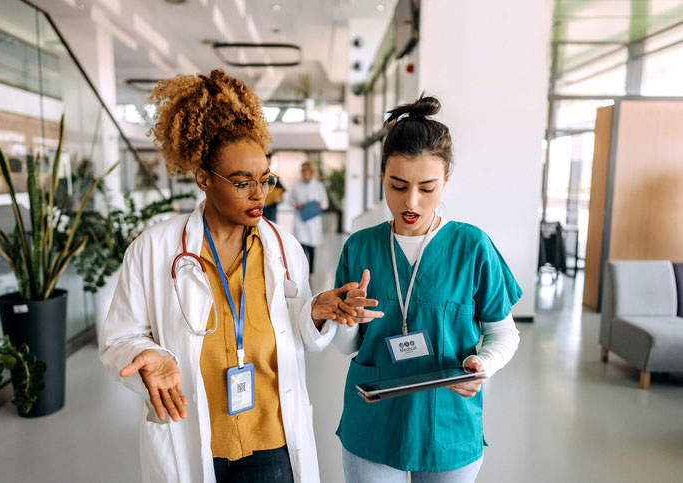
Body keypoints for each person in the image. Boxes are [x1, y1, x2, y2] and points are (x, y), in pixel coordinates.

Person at [99, 70, 380, 483]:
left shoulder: (284, 249)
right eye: (241, 182)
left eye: (265, 180)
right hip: (196, 435)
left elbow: (295, 332)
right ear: (202, 179)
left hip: (272, 438)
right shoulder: (154, 249)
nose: (258, 194)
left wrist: (314, 314)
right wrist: (146, 358)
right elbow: (121, 339)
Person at [329, 95, 522, 483]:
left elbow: (504, 333)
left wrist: (483, 365)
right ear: (382, 174)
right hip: (374, 419)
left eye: (427, 187)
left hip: (446, 419)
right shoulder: (361, 246)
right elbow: (348, 346)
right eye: (397, 185)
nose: (411, 201)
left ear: (446, 179)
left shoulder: (471, 246)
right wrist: (348, 318)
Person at [288, 161, 328, 273]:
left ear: (311, 172)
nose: (305, 173)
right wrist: (296, 204)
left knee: (312, 248)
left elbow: (325, 203)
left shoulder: (318, 186)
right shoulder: (296, 186)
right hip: (300, 220)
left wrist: (320, 204)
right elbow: (290, 200)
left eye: (307, 170)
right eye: (303, 171)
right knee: (301, 248)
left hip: (313, 222)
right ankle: (302, 272)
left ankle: (311, 273)